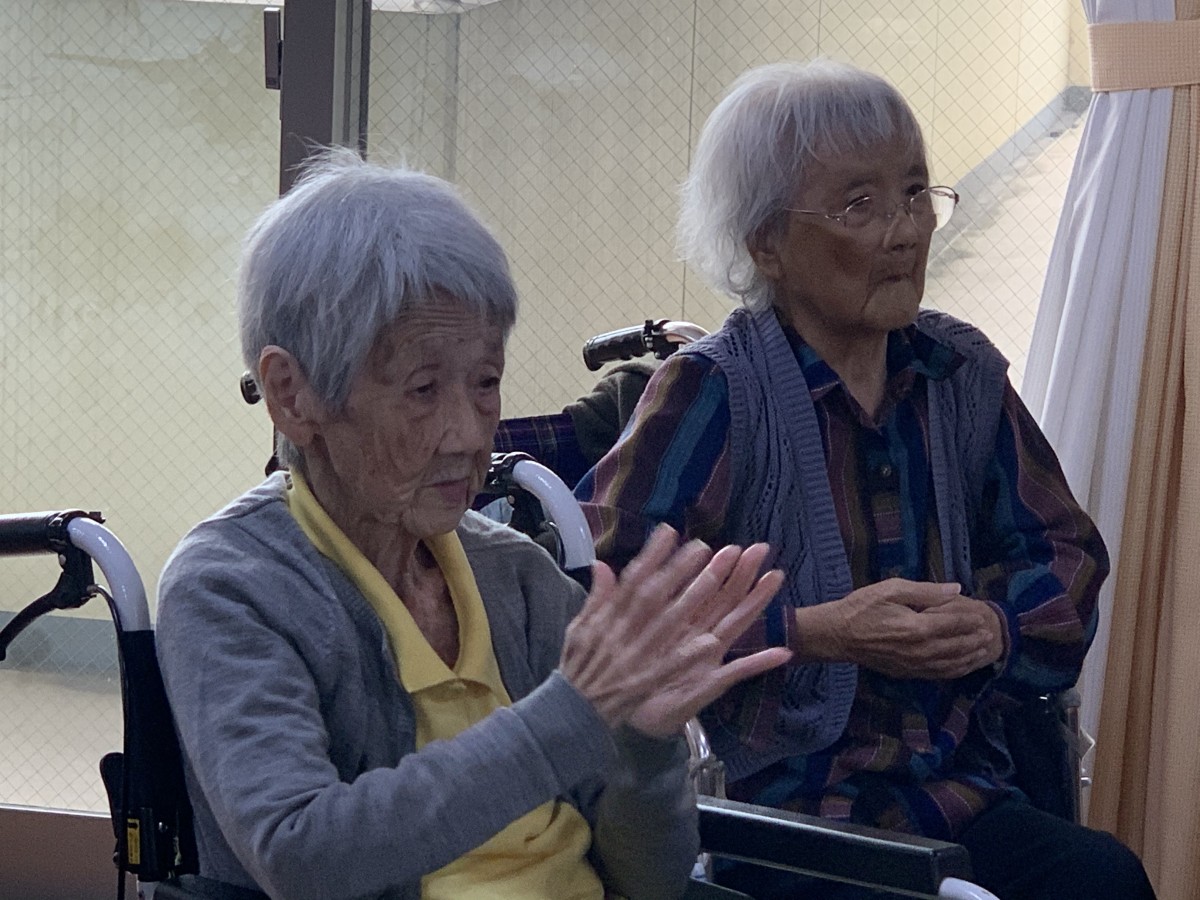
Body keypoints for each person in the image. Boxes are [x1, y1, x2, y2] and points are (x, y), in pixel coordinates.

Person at [575, 60, 1155, 900]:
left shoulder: (961, 375)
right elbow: (604, 604)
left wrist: (995, 627)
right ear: (766, 243)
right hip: (784, 822)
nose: (905, 230)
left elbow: (1066, 553)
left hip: (959, 801)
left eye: (916, 193)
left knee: (1104, 879)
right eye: (861, 205)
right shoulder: (714, 392)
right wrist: (813, 632)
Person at [154, 150, 793, 900]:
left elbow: (650, 882)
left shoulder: (517, 578)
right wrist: (571, 716)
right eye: (423, 390)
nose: (468, 434)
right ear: (292, 395)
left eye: (486, 382)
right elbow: (303, 856)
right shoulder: (232, 585)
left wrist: (644, 743)